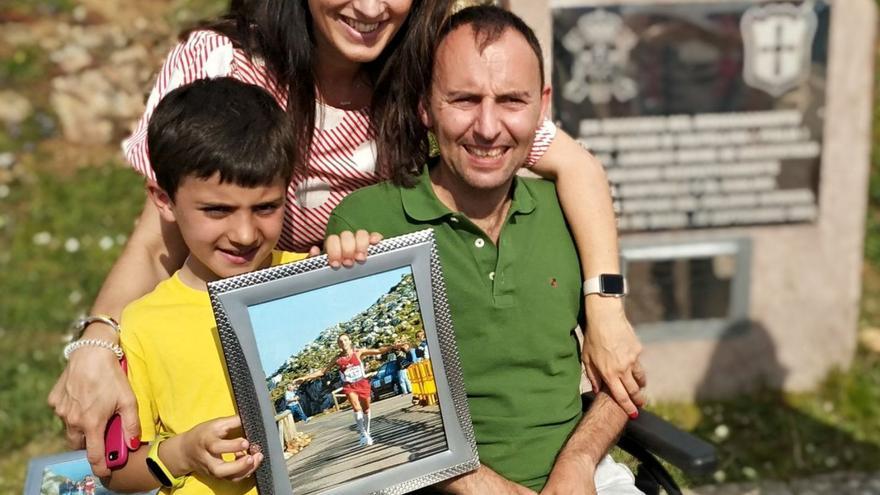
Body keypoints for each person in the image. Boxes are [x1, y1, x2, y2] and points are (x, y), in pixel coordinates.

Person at [49, 0, 643, 477]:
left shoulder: (424, 67)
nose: (369, 7)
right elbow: (165, 224)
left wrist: (605, 308)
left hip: (336, 298)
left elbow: (577, 166)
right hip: (223, 316)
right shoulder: (226, 64)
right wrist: (99, 344)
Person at [326, 7, 644, 494]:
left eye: (512, 101)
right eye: (464, 100)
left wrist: (578, 464)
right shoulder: (369, 225)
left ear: (542, 107)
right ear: (425, 106)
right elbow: (366, 422)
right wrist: (480, 485)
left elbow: (621, 383)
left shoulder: (567, 214)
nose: (488, 127)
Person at [99, 77, 375, 493]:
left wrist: (360, 261)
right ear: (163, 199)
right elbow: (115, 472)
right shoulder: (142, 324)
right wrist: (181, 454)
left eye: (266, 207)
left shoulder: (315, 275)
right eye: (217, 210)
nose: (245, 234)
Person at [297, 335, 404, 447]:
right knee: (357, 408)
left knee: (366, 409)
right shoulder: (337, 359)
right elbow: (323, 371)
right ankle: (362, 434)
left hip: (362, 383)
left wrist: (392, 346)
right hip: (349, 386)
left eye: (345, 340)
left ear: (349, 341)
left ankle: (367, 432)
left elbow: (378, 351)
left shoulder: (358, 352)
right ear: (338, 345)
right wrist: (305, 378)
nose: (343, 342)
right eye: (340, 341)